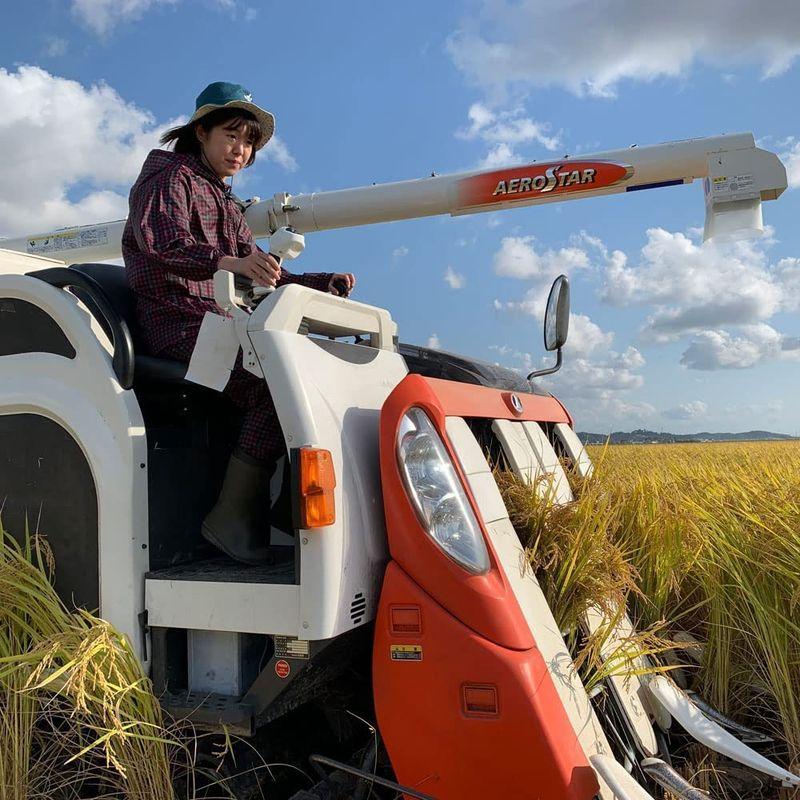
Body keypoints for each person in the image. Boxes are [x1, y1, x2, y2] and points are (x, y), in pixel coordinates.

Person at [122, 82, 355, 564]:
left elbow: (259, 267)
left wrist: (319, 282)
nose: (240, 150)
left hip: (218, 322)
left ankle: (279, 509)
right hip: (176, 322)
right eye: (231, 135)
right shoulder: (168, 178)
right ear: (201, 131)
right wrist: (227, 263)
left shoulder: (226, 202)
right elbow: (162, 245)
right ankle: (234, 518)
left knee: (306, 373)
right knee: (274, 384)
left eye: (249, 143)